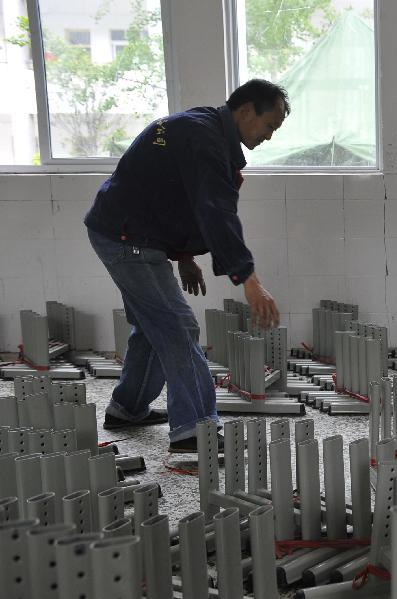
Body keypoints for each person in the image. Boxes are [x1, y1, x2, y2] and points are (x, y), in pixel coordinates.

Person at [84, 79, 287, 452]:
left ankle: (126, 409)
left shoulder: (203, 131)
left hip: (129, 232)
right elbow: (215, 212)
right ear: (246, 111)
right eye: (270, 125)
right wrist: (248, 279)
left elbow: (174, 198)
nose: (270, 136)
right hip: (127, 238)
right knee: (178, 326)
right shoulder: (203, 139)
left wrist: (185, 256)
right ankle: (195, 430)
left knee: (152, 327)